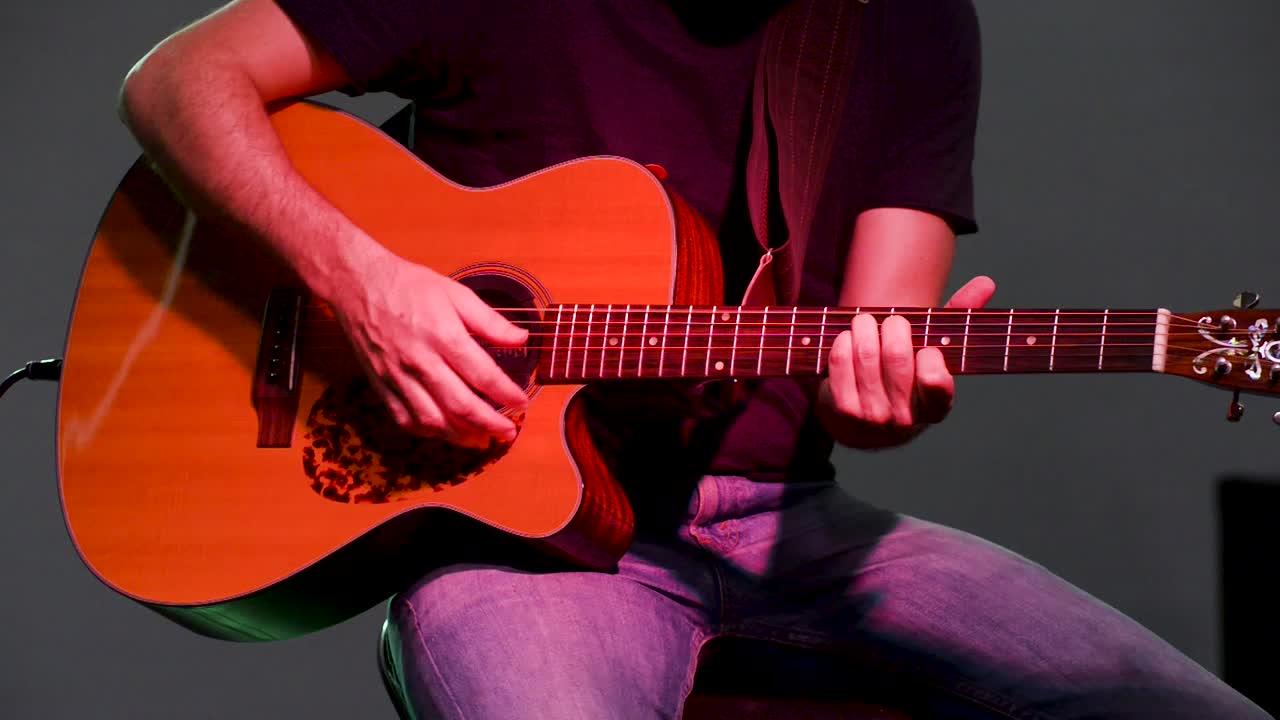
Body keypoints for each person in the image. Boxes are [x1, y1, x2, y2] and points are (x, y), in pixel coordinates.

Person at [117, 0, 1269, 717]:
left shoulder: (906, 22)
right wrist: (359, 283)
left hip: (791, 527)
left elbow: (876, 344)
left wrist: (884, 402)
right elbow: (176, 79)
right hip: (525, 555)